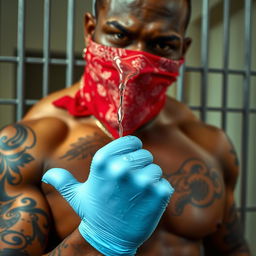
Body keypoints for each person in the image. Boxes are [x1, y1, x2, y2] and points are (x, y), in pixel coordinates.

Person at [0, 0, 251, 255]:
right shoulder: (28, 145)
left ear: (182, 49)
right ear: (90, 30)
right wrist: (98, 238)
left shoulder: (209, 144)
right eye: (120, 35)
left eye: (163, 44)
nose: (137, 62)